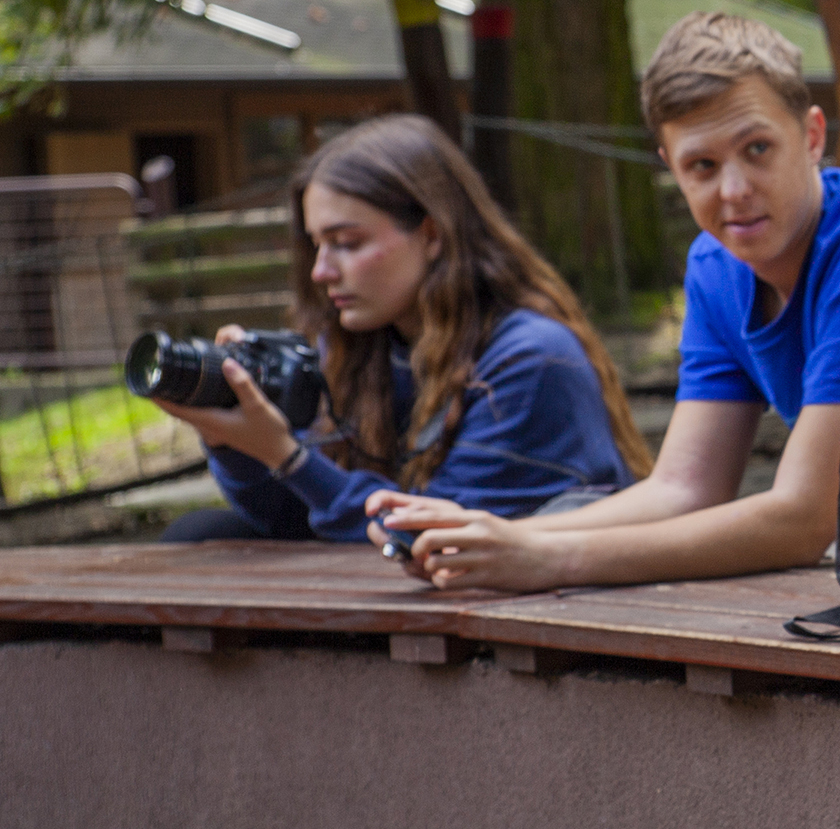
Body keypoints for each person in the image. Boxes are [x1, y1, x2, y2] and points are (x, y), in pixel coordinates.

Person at [375, 13, 840, 589]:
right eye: (702, 165)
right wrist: (492, 537)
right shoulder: (716, 263)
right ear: (669, 167)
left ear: (812, 136)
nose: (733, 190)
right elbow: (684, 488)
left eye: (758, 149)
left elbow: (802, 518)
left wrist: (548, 555)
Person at [146, 114, 647, 544]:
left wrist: (289, 455)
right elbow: (294, 521)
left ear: (431, 234)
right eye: (318, 244)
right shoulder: (362, 348)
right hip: (423, 588)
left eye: (346, 242)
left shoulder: (530, 358)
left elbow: (430, 536)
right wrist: (233, 438)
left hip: (536, 607)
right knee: (203, 533)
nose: (321, 271)